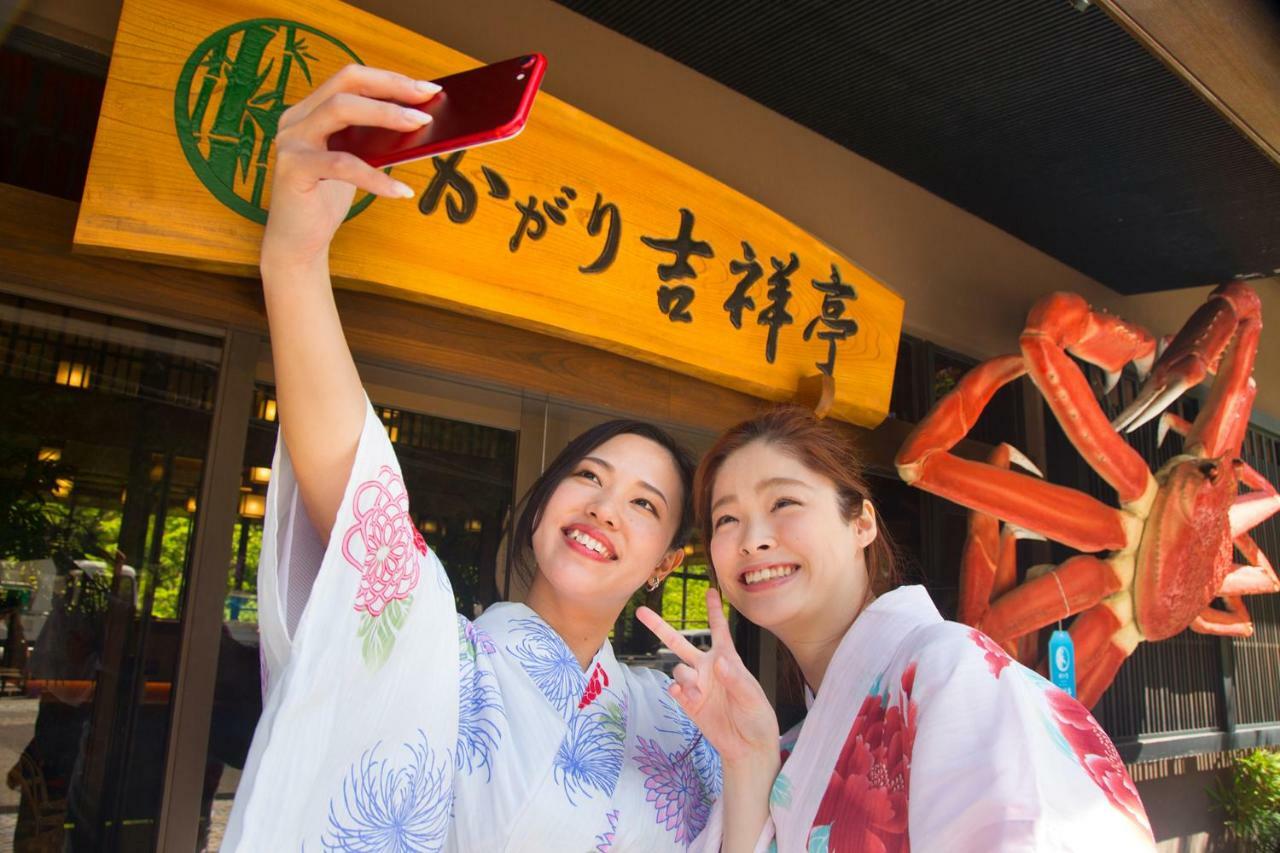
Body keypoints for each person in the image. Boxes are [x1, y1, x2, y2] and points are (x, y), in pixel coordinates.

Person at [224, 65, 720, 850]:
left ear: (666, 561)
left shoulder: (684, 727)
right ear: (545, 501)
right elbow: (366, 505)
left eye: (644, 504)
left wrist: (754, 755)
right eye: (587, 476)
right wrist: (294, 261)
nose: (602, 507)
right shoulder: (442, 655)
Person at [639, 406, 1156, 852]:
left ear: (862, 523)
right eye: (727, 520)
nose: (751, 539)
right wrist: (749, 759)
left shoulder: (949, 669)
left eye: (783, 503)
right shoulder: (793, 746)